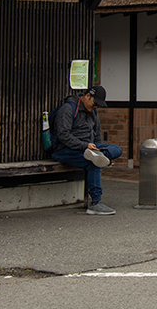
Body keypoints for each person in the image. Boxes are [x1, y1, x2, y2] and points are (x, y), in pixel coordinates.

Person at [50, 85, 122, 215]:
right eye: (94, 104)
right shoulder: (68, 109)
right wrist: (84, 146)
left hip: (90, 148)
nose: (95, 108)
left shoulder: (93, 112)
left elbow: (97, 134)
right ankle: (96, 202)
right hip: (66, 150)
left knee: (117, 149)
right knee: (92, 162)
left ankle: (101, 157)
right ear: (88, 96)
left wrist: (97, 148)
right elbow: (63, 135)